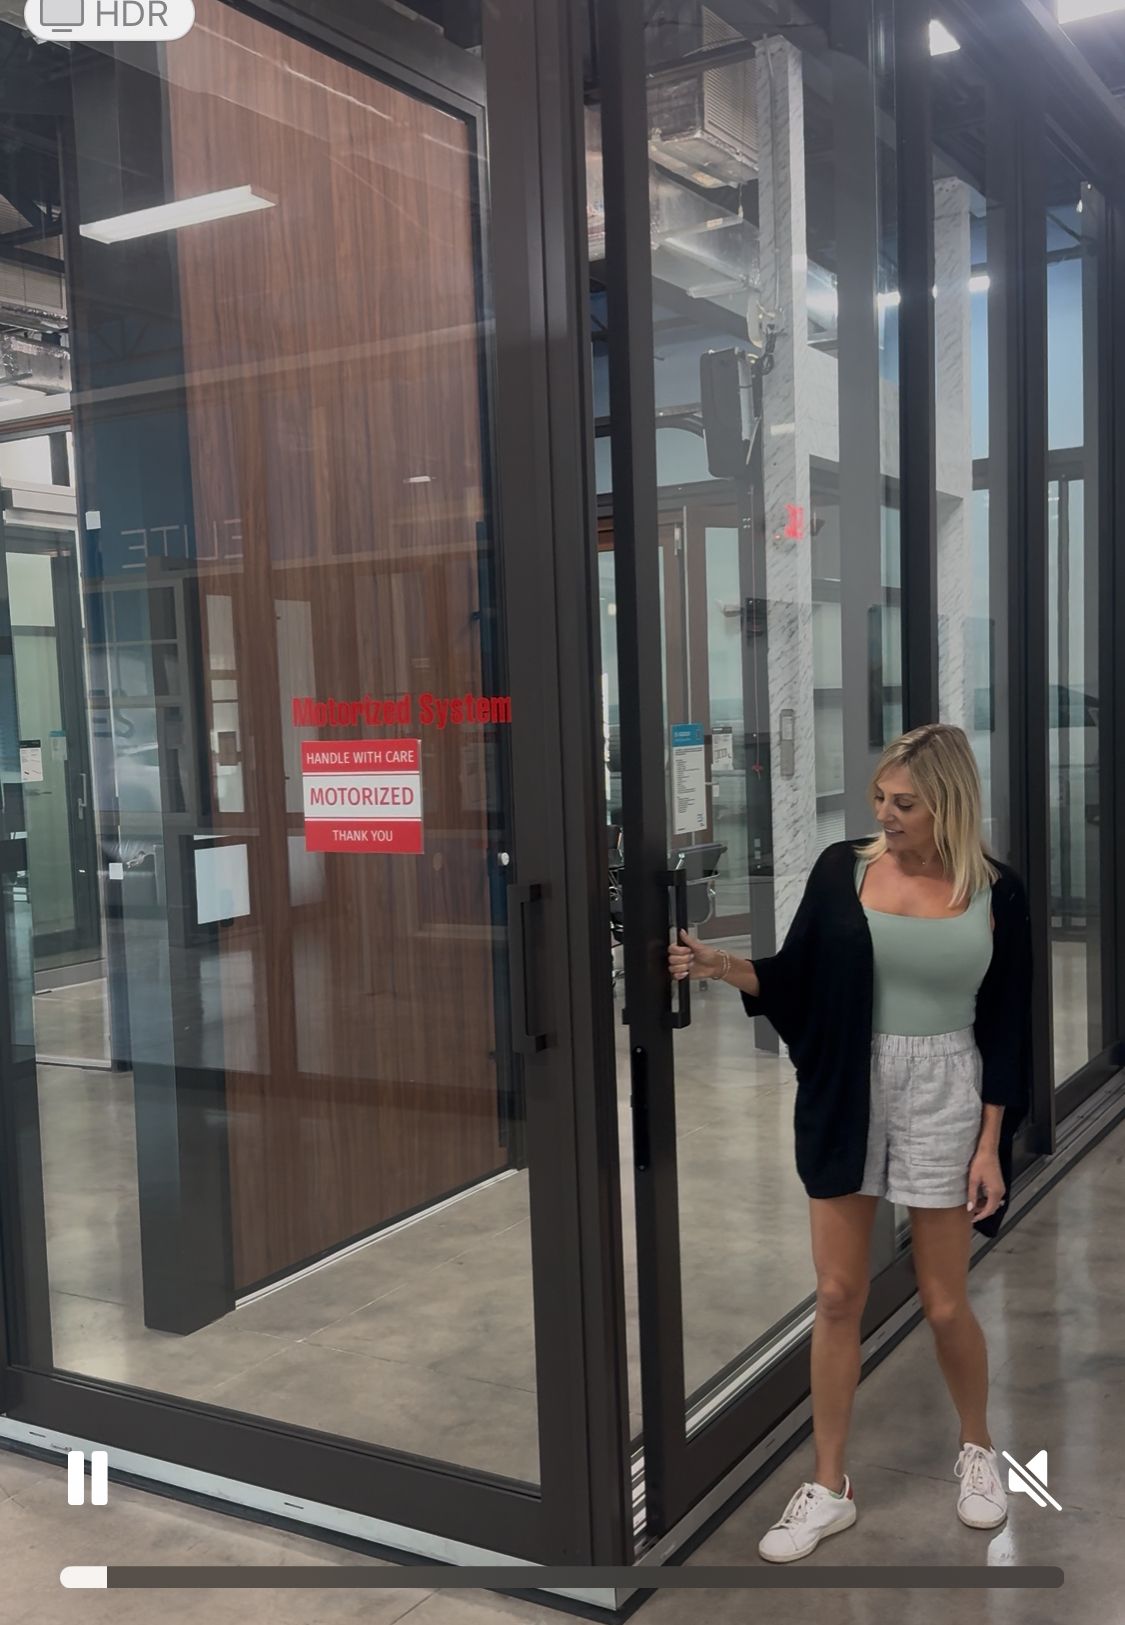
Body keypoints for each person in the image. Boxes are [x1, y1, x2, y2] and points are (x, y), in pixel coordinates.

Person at [668, 723, 1032, 1563]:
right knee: (836, 1294)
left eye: (904, 803)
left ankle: (978, 1449)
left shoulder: (996, 891)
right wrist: (719, 966)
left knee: (942, 1301)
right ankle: (828, 1486)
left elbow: (1008, 1025)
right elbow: (794, 976)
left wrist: (989, 1142)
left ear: (948, 803)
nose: (885, 814)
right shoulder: (844, 869)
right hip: (848, 1085)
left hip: (947, 1085)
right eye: (879, 797)